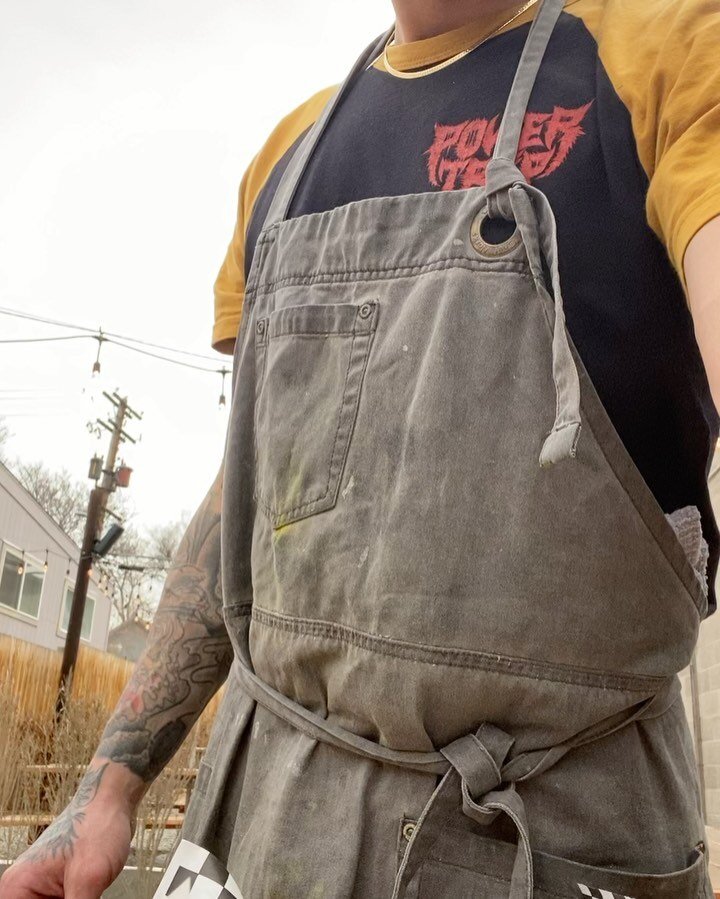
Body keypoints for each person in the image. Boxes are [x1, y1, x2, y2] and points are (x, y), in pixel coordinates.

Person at [2, 0, 719, 896]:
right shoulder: (291, 158)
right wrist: (105, 792)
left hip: (548, 844)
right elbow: (248, 499)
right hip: (265, 833)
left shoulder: (666, 56)